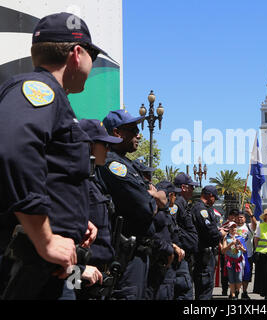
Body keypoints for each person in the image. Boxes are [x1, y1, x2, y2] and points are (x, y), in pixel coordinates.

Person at [0, 12, 109, 300]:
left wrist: (72, 219)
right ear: (76, 53)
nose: (92, 65)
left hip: (56, 268)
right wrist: (45, 238)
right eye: (92, 56)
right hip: (31, 266)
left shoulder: (57, 99)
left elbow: (51, 171)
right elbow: (15, 149)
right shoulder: (39, 89)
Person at [98, 109, 170, 300]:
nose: (139, 134)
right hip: (126, 255)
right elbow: (146, 206)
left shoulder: (127, 164)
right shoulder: (113, 164)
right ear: (117, 133)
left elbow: (158, 199)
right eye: (133, 129)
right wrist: (155, 200)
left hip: (139, 252)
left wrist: (156, 197)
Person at [73, 119, 124, 300]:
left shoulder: (92, 182)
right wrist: (77, 271)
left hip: (97, 279)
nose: (109, 150)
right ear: (90, 145)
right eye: (105, 144)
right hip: (82, 279)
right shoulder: (75, 183)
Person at [190, 185, 226, 300]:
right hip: (203, 255)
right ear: (210, 196)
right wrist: (220, 234)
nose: (214, 201)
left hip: (206, 254)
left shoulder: (204, 208)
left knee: (207, 288)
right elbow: (209, 231)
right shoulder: (201, 209)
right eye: (214, 198)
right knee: (204, 289)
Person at [172, 173, 199, 300]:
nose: (193, 190)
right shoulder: (177, 203)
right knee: (184, 292)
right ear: (183, 187)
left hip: (186, 255)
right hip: (179, 256)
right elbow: (171, 225)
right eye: (191, 187)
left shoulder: (183, 203)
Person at [221, 221, 246, 300]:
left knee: (239, 279)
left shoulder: (240, 237)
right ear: (228, 229)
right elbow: (223, 250)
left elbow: (244, 250)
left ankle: (237, 291)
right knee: (231, 279)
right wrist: (231, 244)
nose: (233, 229)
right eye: (231, 227)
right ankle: (233, 295)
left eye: (234, 227)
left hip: (238, 261)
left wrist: (240, 248)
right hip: (230, 261)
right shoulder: (226, 238)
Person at [236, 206, 257, 300]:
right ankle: (235, 292)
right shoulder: (232, 227)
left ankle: (244, 292)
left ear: (245, 218)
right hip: (235, 256)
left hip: (248, 255)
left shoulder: (249, 227)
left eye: (242, 217)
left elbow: (255, 225)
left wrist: (251, 214)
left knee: (247, 275)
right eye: (238, 217)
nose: (240, 218)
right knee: (235, 275)